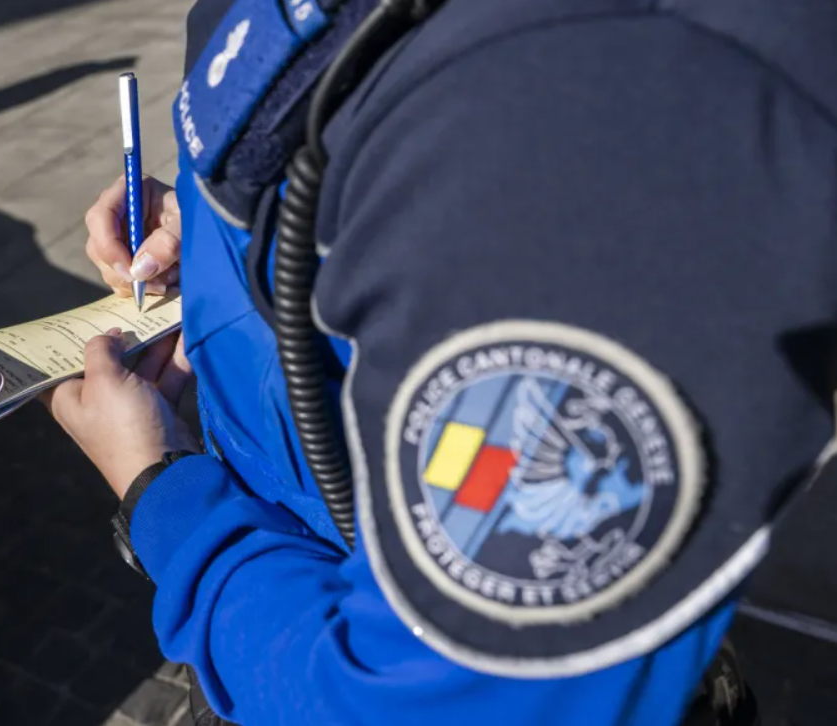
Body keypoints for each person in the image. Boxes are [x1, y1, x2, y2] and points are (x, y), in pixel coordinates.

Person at [45, 0, 837, 724]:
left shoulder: (610, 127)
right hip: (272, 606)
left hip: (310, 641)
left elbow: (434, 704)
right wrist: (223, 218)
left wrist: (163, 493)